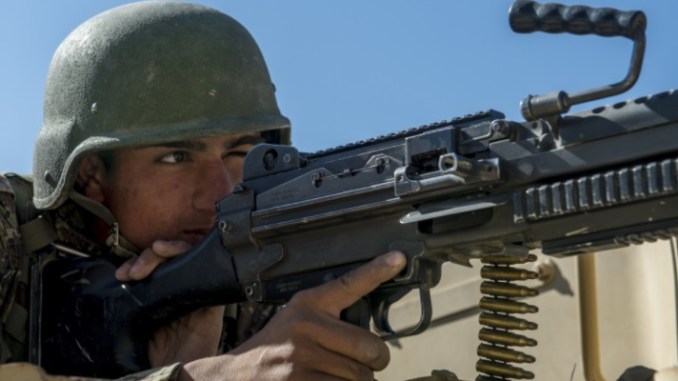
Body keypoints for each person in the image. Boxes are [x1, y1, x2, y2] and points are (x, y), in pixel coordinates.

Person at [0, 1, 406, 380]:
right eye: (177, 157)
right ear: (91, 173)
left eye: (240, 152)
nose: (221, 191)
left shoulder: (259, 284)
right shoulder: (9, 231)